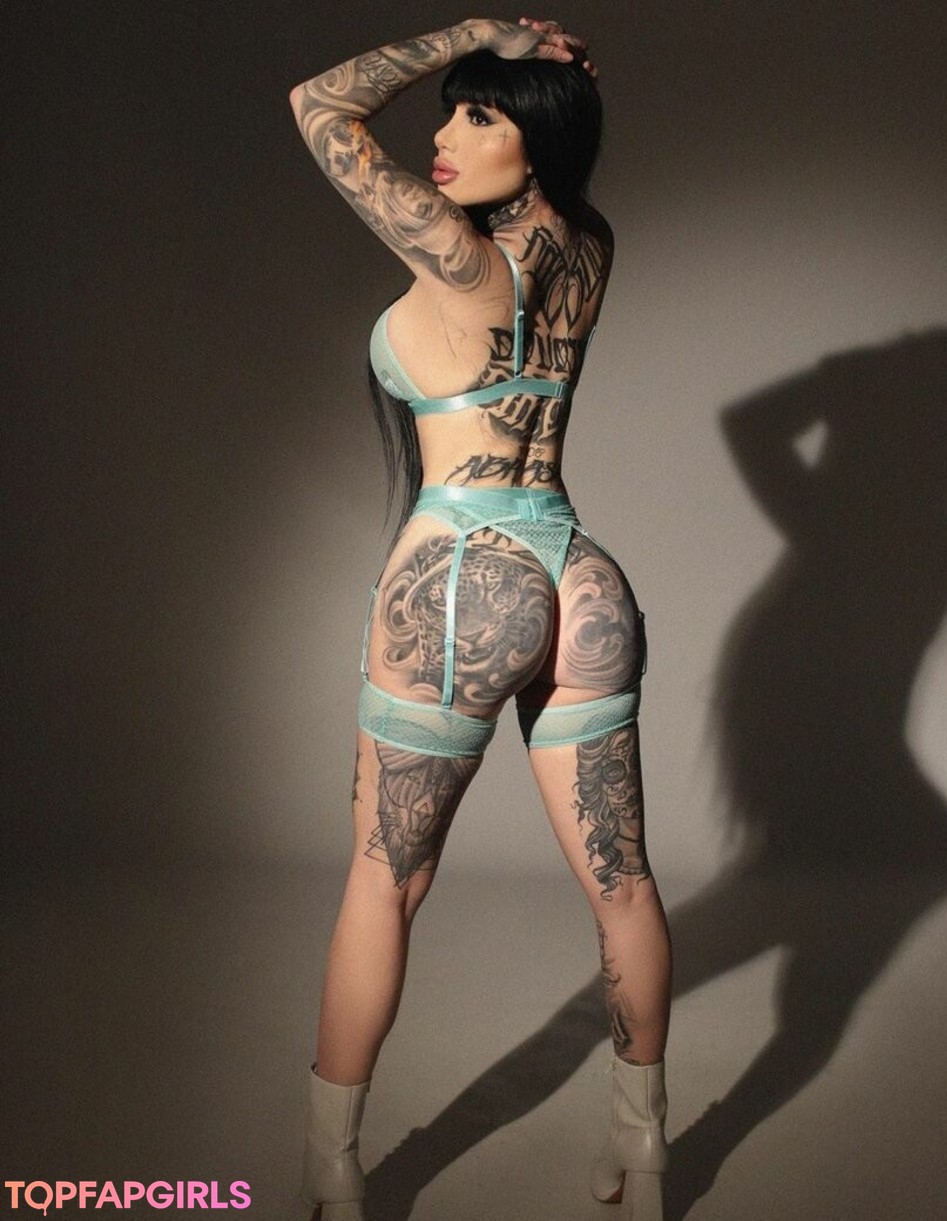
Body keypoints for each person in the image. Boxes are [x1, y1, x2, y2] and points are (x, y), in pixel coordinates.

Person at [289, 17, 672, 1220]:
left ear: (538, 139)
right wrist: (528, 75)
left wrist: (475, 31)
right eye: (451, 111)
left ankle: (334, 1174)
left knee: (382, 882)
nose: (444, 139)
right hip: (580, 573)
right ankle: (647, 1157)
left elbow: (318, 106)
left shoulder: (461, 259)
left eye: (479, 115)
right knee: (624, 886)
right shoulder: (593, 247)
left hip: (465, 576)